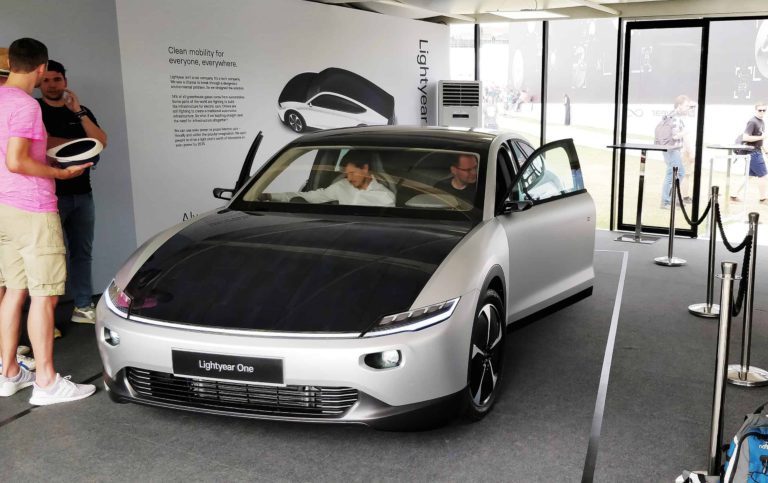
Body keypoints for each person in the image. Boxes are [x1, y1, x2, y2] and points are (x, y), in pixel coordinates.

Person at [0, 38, 95, 404]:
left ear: (11, 63)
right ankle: (46, 382)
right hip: (33, 209)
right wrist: (60, 173)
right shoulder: (26, 105)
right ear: (41, 68)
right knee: (45, 296)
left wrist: (47, 156)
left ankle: (9, 373)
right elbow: (16, 161)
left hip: (5, 209)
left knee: (13, 291)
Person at [38, 60, 108, 325]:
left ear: (65, 82)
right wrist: (83, 145)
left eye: (57, 79)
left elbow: (101, 141)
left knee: (82, 253)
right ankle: (46, 320)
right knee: (49, 258)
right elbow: (43, 143)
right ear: (39, 82)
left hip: (83, 194)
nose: (52, 85)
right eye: (46, 80)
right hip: (51, 196)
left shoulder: (80, 110)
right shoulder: (35, 109)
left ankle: (82, 306)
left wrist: (79, 113)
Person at [262, 150, 395, 206]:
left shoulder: (385, 197)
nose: (349, 178)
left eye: (352, 173)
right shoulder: (341, 185)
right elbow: (311, 197)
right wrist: (270, 196)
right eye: (347, 173)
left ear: (365, 169)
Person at [658, 95, 693, 209]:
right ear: (679, 106)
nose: (688, 108)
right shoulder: (676, 118)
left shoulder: (670, 115)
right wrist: (685, 132)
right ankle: (666, 202)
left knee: (680, 172)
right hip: (672, 149)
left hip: (670, 149)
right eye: (686, 106)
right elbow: (675, 136)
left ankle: (672, 198)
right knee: (671, 174)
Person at [732, 102, 768, 203]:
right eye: (760, 110)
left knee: (748, 176)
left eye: (764, 110)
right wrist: (762, 137)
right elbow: (745, 137)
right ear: (755, 110)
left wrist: (766, 151)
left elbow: (760, 140)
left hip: (756, 151)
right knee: (763, 175)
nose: (762, 112)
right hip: (753, 152)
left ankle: (733, 196)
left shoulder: (762, 122)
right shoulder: (752, 122)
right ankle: (763, 199)